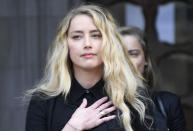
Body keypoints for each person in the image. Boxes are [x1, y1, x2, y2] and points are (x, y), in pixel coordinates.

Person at [25, 4, 154, 131]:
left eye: (95, 35)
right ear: (65, 45)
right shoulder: (42, 100)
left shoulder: (134, 98)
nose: (87, 44)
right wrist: (72, 128)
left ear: (109, 43)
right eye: (77, 36)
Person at [119, 26, 187, 131]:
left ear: (145, 58)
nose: (127, 62)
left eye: (133, 54)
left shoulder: (169, 103)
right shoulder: (97, 104)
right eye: (118, 55)